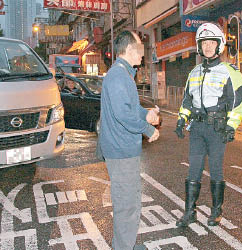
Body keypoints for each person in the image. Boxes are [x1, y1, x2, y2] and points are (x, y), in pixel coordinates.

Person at [174, 22, 242, 228]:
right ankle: (190, 212)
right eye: (204, 43)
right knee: (193, 171)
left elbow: (237, 102)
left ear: (219, 45)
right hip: (197, 129)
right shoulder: (194, 72)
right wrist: (181, 119)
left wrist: (231, 126)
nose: (207, 47)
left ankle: (216, 211)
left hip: (217, 129)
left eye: (211, 42)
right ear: (199, 46)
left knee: (216, 171)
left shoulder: (229, 71)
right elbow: (188, 100)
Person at [98, 30, 160, 250]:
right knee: (127, 204)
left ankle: (126, 244)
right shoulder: (118, 76)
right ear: (130, 49)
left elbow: (131, 108)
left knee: (130, 200)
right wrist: (147, 129)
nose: (143, 54)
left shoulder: (124, 74)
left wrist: (146, 114)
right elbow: (123, 114)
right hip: (121, 150)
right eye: (140, 48)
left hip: (123, 148)